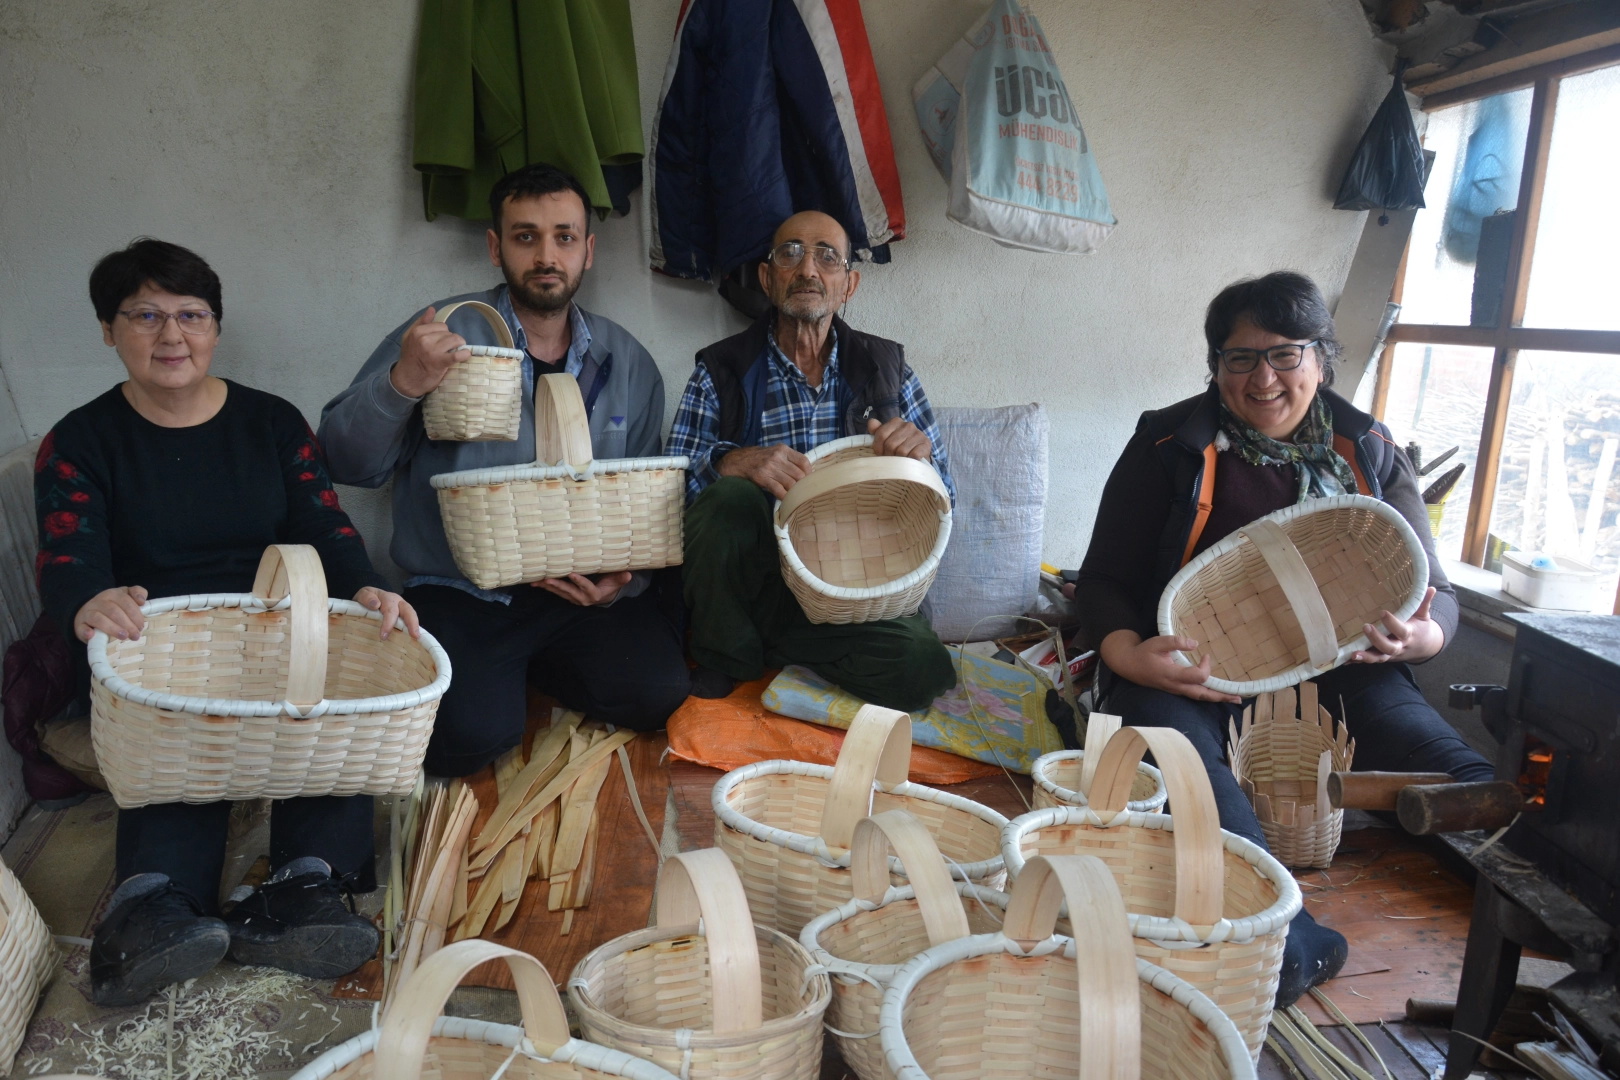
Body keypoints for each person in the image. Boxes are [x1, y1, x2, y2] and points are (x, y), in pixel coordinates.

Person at [1075, 271, 1496, 1007]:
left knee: (1453, 775)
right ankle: (1282, 933)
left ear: (1322, 361)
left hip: (1342, 671)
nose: (1261, 378)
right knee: (1178, 765)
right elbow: (1102, 580)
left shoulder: (1366, 448)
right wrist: (1126, 653)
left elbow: (1436, 594)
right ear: (1215, 368)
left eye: (1285, 355)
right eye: (1239, 358)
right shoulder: (1169, 444)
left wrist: (1419, 638)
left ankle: (1528, 876)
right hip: (1189, 669)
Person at [36, 239, 405, 1005]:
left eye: (191, 315)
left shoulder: (271, 423)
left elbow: (322, 523)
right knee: (176, 748)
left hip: (273, 628)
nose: (171, 336)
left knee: (323, 723)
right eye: (145, 315)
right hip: (158, 645)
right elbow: (68, 552)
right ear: (109, 329)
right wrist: (87, 601)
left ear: (215, 327)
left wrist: (366, 589)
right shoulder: (79, 441)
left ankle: (304, 891)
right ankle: (153, 908)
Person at [320, 163, 688, 778]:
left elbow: (645, 508)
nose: (547, 255)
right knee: (464, 740)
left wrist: (622, 586)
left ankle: (523, 670)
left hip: (580, 594)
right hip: (463, 592)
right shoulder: (441, 332)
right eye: (525, 236)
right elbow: (343, 461)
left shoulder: (627, 360)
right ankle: (495, 682)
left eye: (564, 237)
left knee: (657, 693)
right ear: (495, 246)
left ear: (588, 251)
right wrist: (404, 381)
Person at [667, 210, 957, 710]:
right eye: (790, 254)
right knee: (730, 498)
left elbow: (947, 498)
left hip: (856, 591)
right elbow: (667, 490)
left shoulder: (887, 372)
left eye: (828, 257)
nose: (808, 270)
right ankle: (728, 653)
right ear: (766, 277)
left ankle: (778, 649)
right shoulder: (721, 370)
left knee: (924, 670)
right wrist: (729, 462)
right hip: (759, 589)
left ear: (849, 284)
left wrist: (917, 464)